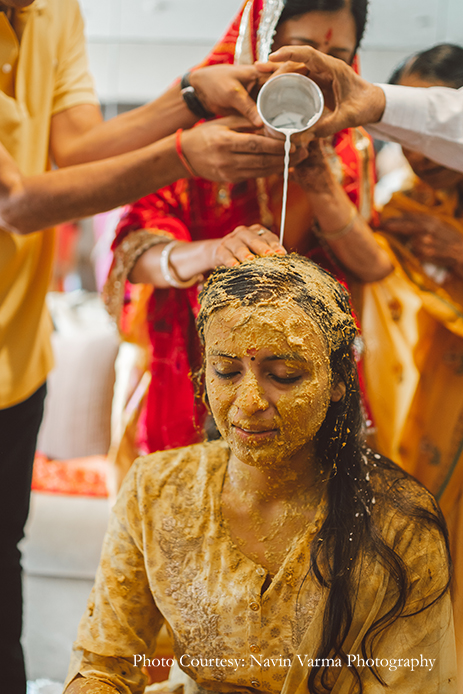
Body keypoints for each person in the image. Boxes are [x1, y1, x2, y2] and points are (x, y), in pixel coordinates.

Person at [0, 1, 306, 690]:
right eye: (294, 46)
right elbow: (16, 203)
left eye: (329, 55)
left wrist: (192, 94)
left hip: (17, 358)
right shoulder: (189, 155)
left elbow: (75, 146)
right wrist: (184, 159)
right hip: (175, 396)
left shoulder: (50, 11)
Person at [65, 253, 456, 694]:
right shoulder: (155, 490)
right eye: (227, 371)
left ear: (338, 382)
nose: (249, 401)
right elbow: (104, 665)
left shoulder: (400, 524)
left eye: (284, 375)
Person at [105, 0, 392, 469]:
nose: (316, 70)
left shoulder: (348, 146)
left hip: (304, 380)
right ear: (262, 42)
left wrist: (321, 183)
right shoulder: (204, 135)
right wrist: (212, 252)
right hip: (203, 368)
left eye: (336, 53)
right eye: (298, 49)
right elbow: (134, 250)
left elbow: (372, 266)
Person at [357, 43, 463, 684]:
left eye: (433, 129)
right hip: (416, 419)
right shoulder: (402, 209)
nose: (420, 151)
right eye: (407, 134)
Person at [264, 45, 463, 171]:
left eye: (336, 55)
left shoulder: (358, 152)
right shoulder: (400, 198)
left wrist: (376, 103)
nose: (313, 72)